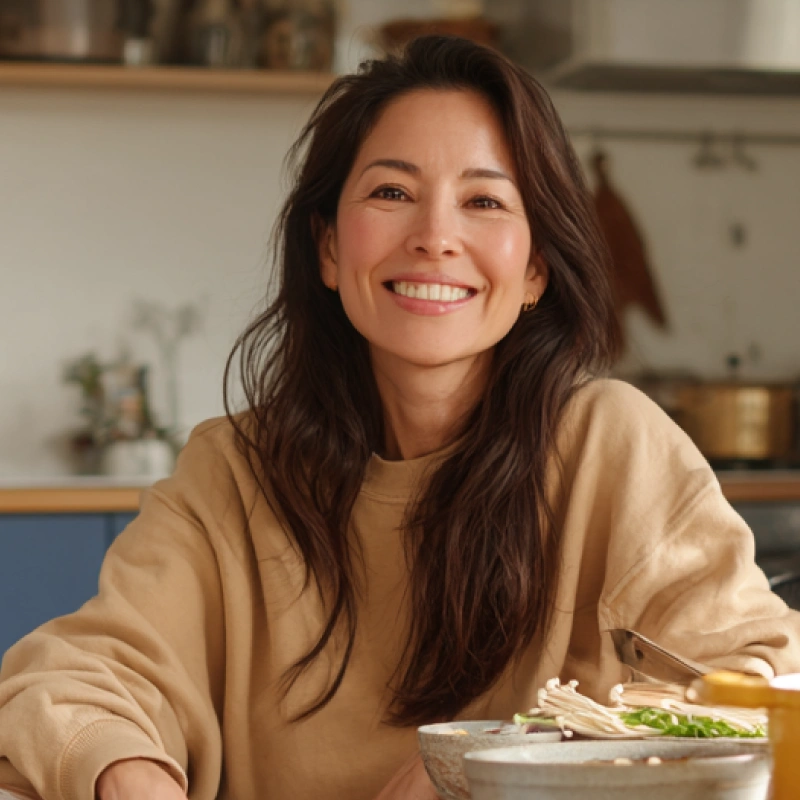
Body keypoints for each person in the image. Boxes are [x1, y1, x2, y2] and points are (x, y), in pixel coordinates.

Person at [1, 34, 799, 800]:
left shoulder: (610, 445)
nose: (435, 237)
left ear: (534, 272)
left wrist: (487, 761)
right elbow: (80, 675)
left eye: (483, 200)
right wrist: (126, 773)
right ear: (325, 248)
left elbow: (754, 687)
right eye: (392, 192)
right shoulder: (235, 470)